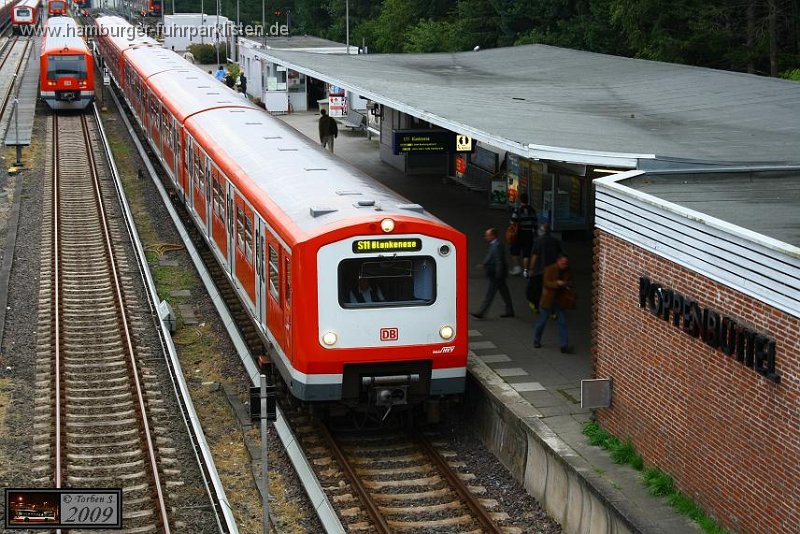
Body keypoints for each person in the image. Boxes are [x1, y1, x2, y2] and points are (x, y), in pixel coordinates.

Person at [533, 254, 573, 353]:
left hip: (559, 301)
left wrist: (567, 285)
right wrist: (557, 283)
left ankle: (564, 345)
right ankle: (536, 340)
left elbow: (570, 281)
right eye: (563, 263)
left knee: (562, 323)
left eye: (566, 263)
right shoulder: (549, 269)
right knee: (542, 322)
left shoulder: (567, 271)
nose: (565, 265)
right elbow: (546, 283)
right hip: (548, 300)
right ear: (558, 261)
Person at [471, 228, 514, 319]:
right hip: (497, 273)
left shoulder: (496, 245)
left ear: (493, 235)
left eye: (487, 235)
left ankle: (481, 312)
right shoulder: (495, 244)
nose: (485, 237)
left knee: (490, 294)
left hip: (496, 274)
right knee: (504, 292)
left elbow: (499, 260)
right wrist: (484, 264)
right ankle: (509, 310)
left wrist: (498, 273)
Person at [526, 223, 562, 312]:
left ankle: (535, 306)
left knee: (536, 289)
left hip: (539, 271)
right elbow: (560, 255)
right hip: (552, 271)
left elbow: (535, 256)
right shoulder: (555, 241)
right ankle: (552, 310)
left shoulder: (538, 242)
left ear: (541, 232)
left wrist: (531, 269)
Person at [508, 193, 536, 277]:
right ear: (527, 199)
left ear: (520, 200)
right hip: (529, 234)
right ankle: (525, 271)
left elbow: (512, 221)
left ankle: (517, 268)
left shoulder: (518, 209)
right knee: (526, 253)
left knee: (514, 251)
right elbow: (535, 223)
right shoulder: (532, 210)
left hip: (519, 234)